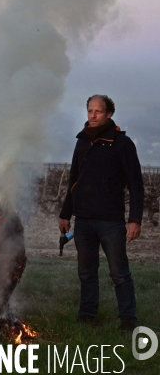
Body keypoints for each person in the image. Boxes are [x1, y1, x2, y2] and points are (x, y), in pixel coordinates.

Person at [59, 94, 143, 333]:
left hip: (111, 222)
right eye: (89, 111)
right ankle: (87, 315)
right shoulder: (82, 141)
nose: (93, 115)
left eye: (98, 111)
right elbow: (74, 181)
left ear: (109, 114)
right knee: (86, 273)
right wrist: (66, 214)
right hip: (83, 220)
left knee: (119, 273)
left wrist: (135, 219)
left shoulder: (121, 144)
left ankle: (128, 320)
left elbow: (136, 184)